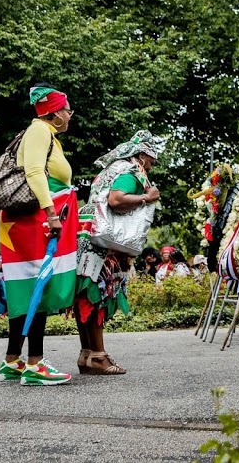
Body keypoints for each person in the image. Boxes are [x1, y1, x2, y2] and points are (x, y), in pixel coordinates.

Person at [0, 86, 80, 386]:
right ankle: (35, 364)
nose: (70, 114)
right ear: (56, 113)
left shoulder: (44, 134)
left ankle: (12, 360)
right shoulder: (39, 131)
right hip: (35, 221)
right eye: (68, 109)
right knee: (38, 287)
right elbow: (33, 172)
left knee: (27, 287)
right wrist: (52, 213)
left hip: (31, 220)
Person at [75, 130, 165, 375]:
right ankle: (99, 356)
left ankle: (87, 354)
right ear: (144, 155)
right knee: (98, 295)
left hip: (86, 234)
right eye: (153, 159)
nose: (153, 164)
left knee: (84, 294)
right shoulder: (130, 171)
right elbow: (116, 200)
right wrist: (147, 197)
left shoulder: (111, 169)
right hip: (102, 243)